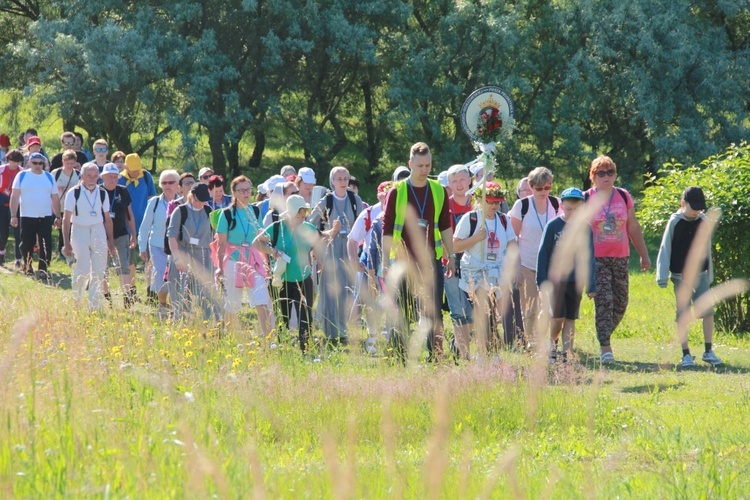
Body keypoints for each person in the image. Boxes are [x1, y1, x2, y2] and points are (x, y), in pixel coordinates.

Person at [382, 142, 456, 362]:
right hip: (403, 262)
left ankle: (436, 356)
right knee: (402, 311)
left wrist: (451, 256)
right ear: (410, 164)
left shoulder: (439, 190)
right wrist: (385, 261)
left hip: (430, 261)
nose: (425, 170)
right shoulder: (397, 192)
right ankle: (400, 356)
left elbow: (445, 225)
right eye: (420, 165)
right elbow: (387, 227)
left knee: (433, 311)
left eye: (428, 165)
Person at [584, 155, 650, 363]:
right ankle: (606, 348)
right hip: (597, 259)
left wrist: (644, 255)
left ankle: (603, 333)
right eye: (601, 173)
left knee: (621, 303)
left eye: (610, 172)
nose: (606, 177)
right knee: (605, 302)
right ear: (593, 177)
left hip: (621, 257)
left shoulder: (623, 195)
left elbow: (633, 227)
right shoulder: (586, 198)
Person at [656, 186, 722, 368]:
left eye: (700, 208)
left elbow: (707, 249)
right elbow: (665, 247)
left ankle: (709, 351)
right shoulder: (675, 222)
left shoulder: (704, 220)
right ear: (683, 204)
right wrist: (662, 275)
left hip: (700, 275)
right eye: (694, 208)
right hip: (680, 277)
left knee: (708, 312)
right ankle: (686, 354)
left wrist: (710, 274)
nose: (697, 212)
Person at [255, 195, 328, 353]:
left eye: (303, 216)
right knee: (282, 319)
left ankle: (306, 351)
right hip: (281, 281)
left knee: (305, 318)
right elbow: (256, 242)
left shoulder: (308, 228)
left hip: (304, 279)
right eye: (299, 216)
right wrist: (271, 250)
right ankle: (283, 350)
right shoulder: (276, 227)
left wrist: (321, 254)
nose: (302, 219)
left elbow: (321, 238)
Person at [453, 182, 517, 357]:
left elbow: (512, 244)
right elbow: (455, 246)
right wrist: (475, 238)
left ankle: (489, 353)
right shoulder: (471, 219)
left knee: (491, 315)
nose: (494, 206)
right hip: (474, 274)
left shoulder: (503, 220)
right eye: (490, 202)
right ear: (480, 201)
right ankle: (487, 354)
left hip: (496, 274)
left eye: (497, 202)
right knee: (484, 313)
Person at [536, 188, 596, 364]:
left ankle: (567, 354)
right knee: (557, 317)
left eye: (576, 209)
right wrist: (541, 282)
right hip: (556, 280)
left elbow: (590, 258)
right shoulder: (553, 226)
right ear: (562, 206)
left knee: (570, 317)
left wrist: (591, 285)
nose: (572, 213)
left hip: (575, 281)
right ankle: (552, 345)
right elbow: (543, 254)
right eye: (568, 209)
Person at [309, 166, 362, 345]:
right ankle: (332, 333)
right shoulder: (327, 201)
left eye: (345, 178)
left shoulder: (355, 200)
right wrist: (328, 234)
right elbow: (311, 226)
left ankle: (342, 329)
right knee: (331, 291)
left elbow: (361, 224)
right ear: (332, 181)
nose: (342, 182)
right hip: (330, 248)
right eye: (338, 178)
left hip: (349, 248)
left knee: (347, 290)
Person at [508, 167, 560, 345]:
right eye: (539, 188)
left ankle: (546, 340)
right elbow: (512, 239)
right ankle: (531, 344)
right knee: (530, 308)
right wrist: (515, 268)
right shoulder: (522, 206)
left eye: (547, 188)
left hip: (550, 266)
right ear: (530, 187)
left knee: (550, 308)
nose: (543, 192)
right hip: (527, 263)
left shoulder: (556, 204)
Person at [214, 176, 272, 335]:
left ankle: (268, 339)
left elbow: (260, 238)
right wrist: (220, 268)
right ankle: (230, 337)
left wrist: (268, 249)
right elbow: (221, 244)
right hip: (233, 261)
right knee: (232, 303)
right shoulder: (226, 214)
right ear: (233, 192)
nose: (246, 193)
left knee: (261, 300)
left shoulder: (255, 211)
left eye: (248, 189)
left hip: (253, 260)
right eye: (242, 190)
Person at [61, 163, 115, 310]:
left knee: (99, 269)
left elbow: (107, 218)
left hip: (98, 229)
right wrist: (66, 243)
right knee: (82, 268)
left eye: (95, 176)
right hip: (79, 229)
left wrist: (110, 241)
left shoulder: (102, 193)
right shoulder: (74, 192)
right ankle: (77, 302)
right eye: (88, 176)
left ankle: (95, 307)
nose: (92, 179)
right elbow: (66, 219)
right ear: (82, 176)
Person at [166, 183, 218, 322]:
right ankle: (180, 321)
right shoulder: (180, 211)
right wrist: (177, 258)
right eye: (199, 200)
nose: (202, 203)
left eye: (204, 200)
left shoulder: (209, 211)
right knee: (180, 292)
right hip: (184, 254)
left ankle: (206, 323)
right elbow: (172, 237)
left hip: (204, 256)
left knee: (205, 294)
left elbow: (214, 236)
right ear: (192, 196)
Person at [9, 152, 61, 280]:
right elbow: (14, 196)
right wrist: (13, 215)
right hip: (27, 215)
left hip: (45, 215)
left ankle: (43, 268)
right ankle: (27, 266)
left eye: (40, 163)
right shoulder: (22, 176)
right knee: (27, 243)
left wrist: (58, 217)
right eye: (35, 163)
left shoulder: (49, 177)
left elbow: (55, 198)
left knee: (45, 243)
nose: (38, 166)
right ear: (29, 163)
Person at [139, 170, 181, 317]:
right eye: (164, 183)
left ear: (177, 185)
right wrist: (142, 247)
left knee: (176, 276)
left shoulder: (182, 202)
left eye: (171, 182)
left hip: (177, 246)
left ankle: (176, 306)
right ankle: (162, 306)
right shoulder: (154, 202)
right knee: (161, 273)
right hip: (157, 245)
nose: (167, 186)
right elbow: (145, 226)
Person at [444, 164, 475, 356]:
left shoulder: (479, 203)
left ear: (470, 180)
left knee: (471, 314)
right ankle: (463, 355)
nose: (459, 184)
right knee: (457, 310)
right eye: (454, 181)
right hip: (450, 262)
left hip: (475, 263)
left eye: (462, 179)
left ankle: (458, 343)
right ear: (449, 184)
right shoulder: (443, 204)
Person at [101, 163, 137, 307]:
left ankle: (127, 295)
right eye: (110, 176)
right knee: (103, 267)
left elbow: (129, 215)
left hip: (121, 234)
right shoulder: (98, 191)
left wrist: (133, 234)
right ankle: (105, 295)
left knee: (124, 265)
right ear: (103, 177)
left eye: (115, 176)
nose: (113, 179)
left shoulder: (122, 191)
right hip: (101, 235)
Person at [119, 153, 156, 279]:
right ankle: (131, 287)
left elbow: (151, 197)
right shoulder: (119, 179)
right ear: (125, 167)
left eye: (137, 169)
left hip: (145, 223)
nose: (135, 172)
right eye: (132, 170)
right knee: (130, 259)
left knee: (149, 256)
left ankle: (150, 287)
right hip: (127, 224)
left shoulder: (146, 176)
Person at [51, 150, 82, 258]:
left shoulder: (78, 174)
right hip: (58, 206)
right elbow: (50, 191)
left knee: (72, 230)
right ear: (63, 162)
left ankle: (72, 250)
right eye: (67, 163)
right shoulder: (56, 173)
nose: (69, 165)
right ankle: (62, 251)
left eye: (71, 163)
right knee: (61, 231)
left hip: (73, 208)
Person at [0, 149, 24, 267]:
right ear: (8, 159)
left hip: (17, 205)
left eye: (17, 161)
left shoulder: (22, 172)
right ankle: (1, 253)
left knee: (18, 232)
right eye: (12, 161)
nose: (15, 164)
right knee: (2, 231)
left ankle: (18, 258)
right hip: (2, 204)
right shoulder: (1, 170)